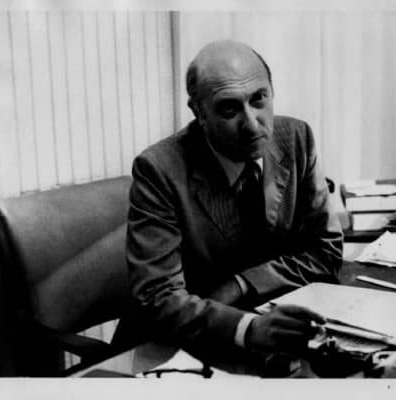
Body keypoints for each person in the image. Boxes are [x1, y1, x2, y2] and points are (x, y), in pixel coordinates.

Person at [124, 40, 343, 357]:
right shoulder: (159, 170)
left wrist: (242, 284)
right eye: (229, 108)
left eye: (259, 99)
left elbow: (325, 251)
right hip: (176, 346)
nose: (252, 124)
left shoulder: (297, 138)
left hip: (270, 327)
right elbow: (159, 298)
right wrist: (247, 328)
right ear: (199, 112)